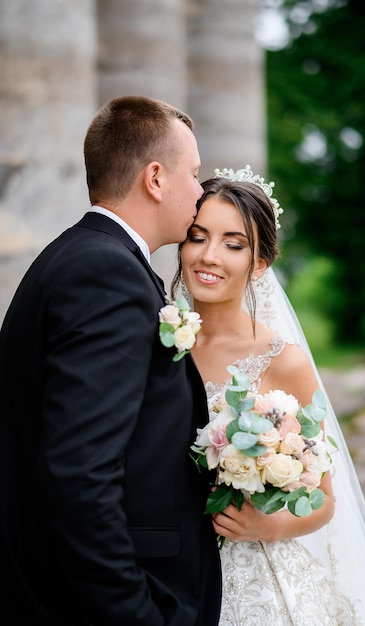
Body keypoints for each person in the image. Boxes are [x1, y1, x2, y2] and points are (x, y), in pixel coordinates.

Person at [0, 96, 222, 625]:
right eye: (192, 174)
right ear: (155, 178)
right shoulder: (106, 275)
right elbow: (79, 472)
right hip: (96, 602)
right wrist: (135, 613)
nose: (200, 190)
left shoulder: (82, 256)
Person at [172, 165, 365, 625]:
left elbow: (324, 499)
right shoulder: (161, 343)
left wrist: (269, 524)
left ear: (259, 264)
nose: (209, 256)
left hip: (255, 579)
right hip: (170, 569)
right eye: (197, 236)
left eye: (233, 244)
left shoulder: (283, 361)